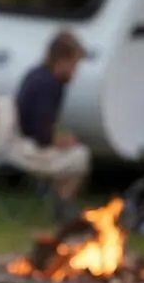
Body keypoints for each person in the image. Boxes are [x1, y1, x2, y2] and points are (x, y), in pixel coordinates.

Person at [11, 30, 93, 218]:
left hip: (20, 141)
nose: (75, 71)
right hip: (29, 148)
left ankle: (62, 202)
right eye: (74, 64)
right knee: (81, 155)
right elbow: (42, 136)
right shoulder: (48, 85)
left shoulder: (37, 74)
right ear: (61, 60)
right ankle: (63, 204)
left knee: (70, 153)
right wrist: (63, 140)